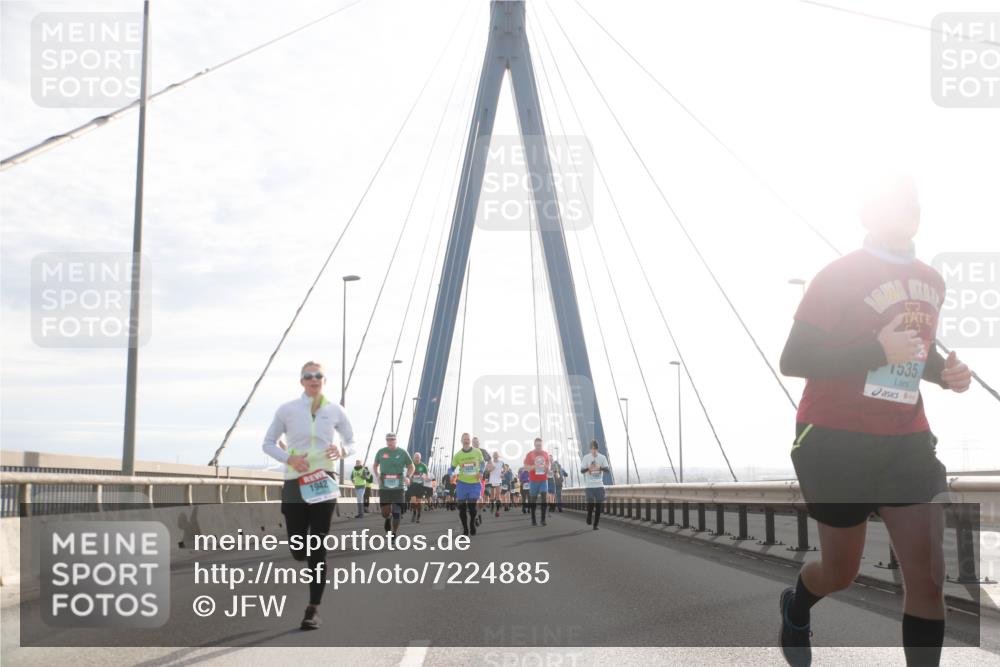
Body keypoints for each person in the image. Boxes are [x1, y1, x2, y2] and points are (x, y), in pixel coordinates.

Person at [776, 173, 972, 667]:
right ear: (867, 215)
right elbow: (795, 357)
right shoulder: (838, 274)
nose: (904, 213)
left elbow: (916, 351)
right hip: (836, 438)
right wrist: (875, 349)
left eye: (911, 204)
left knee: (927, 577)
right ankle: (797, 604)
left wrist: (945, 374)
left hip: (907, 440)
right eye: (891, 205)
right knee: (840, 572)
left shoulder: (931, 280)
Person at [262, 361, 354, 631]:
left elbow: (351, 440)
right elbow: (267, 442)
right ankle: (301, 552)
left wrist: (343, 450)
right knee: (298, 549)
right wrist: (289, 458)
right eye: (308, 376)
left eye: (318, 375)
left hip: (323, 482)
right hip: (294, 482)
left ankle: (313, 609)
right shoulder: (287, 410)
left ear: (324, 380)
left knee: (317, 545)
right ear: (301, 381)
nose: (313, 379)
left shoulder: (335, 410)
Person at [372, 433, 414, 542]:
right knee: (385, 512)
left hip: (398, 486)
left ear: (396, 440)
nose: (389, 441)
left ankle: (394, 533)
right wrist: (377, 475)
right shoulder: (381, 452)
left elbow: (411, 466)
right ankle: (387, 518)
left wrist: (408, 477)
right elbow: (375, 465)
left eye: (392, 439)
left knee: (397, 512)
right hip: (385, 487)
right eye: (388, 440)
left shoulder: (402, 452)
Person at [451, 432, 486, 536]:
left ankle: (472, 524)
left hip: (474, 483)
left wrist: (481, 472)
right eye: (464, 439)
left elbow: (483, 463)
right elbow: (452, 468)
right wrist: (451, 475)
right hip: (462, 483)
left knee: (471, 507)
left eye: (468, 439)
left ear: (469, 441)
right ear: (461, 441)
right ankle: (465, 529)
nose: (466, 440)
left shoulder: (477, 452)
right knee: (461, 507)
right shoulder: (458, 455)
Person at [580, 440, 610, 530]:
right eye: (592, 449)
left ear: (597, 449)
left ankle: (595, 525)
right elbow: (582, 471)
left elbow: (607, 470)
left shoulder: (602, 457)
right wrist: (588, 468)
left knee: (599, 506)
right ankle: (589, 515)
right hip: (589, 486)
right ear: (590, 449)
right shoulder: (586, 458)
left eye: (595, 449)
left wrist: (600, 467)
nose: (594, 451)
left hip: (599, 485)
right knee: (590, 503)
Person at [523, 438, 552, 526]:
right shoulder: (530, 454)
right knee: (533, 500)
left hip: (543, 479)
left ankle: (543, 520)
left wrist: (547, 468)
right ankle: (533, 519)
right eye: (537, 445)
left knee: (544, 498)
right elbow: (526, 467)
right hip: (533, 480)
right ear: (534, 445)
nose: (539, 447)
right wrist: (534, 467)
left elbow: (548, 465)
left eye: (540, 445)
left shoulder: (545, 453)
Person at [408, 452, 429, 523]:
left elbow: (427, 476)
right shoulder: (411, 466)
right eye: (415, 457)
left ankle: (418, 516)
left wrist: (424, 477)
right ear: (413, 458)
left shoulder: (423, 466)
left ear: (420, 458)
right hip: (413, 485)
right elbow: (407, 474)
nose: (416, 458)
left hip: (420, 486)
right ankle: (414, 513)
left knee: (418, 502)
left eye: (418, 457)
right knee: (413, 500)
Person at [487, 451, 504, 517]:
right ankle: (492, 506)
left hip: (498, 480)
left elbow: (504, 469)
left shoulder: (501, 462)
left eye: (497, 455)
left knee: (498, 495)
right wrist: (491, 469)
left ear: (498, 456)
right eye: (494, 455)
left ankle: (497, 510)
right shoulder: (490, 462)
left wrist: (502, 474)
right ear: (493, 456)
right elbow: (488, 470)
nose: (495, 456)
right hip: (491, 480)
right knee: (492, 495)